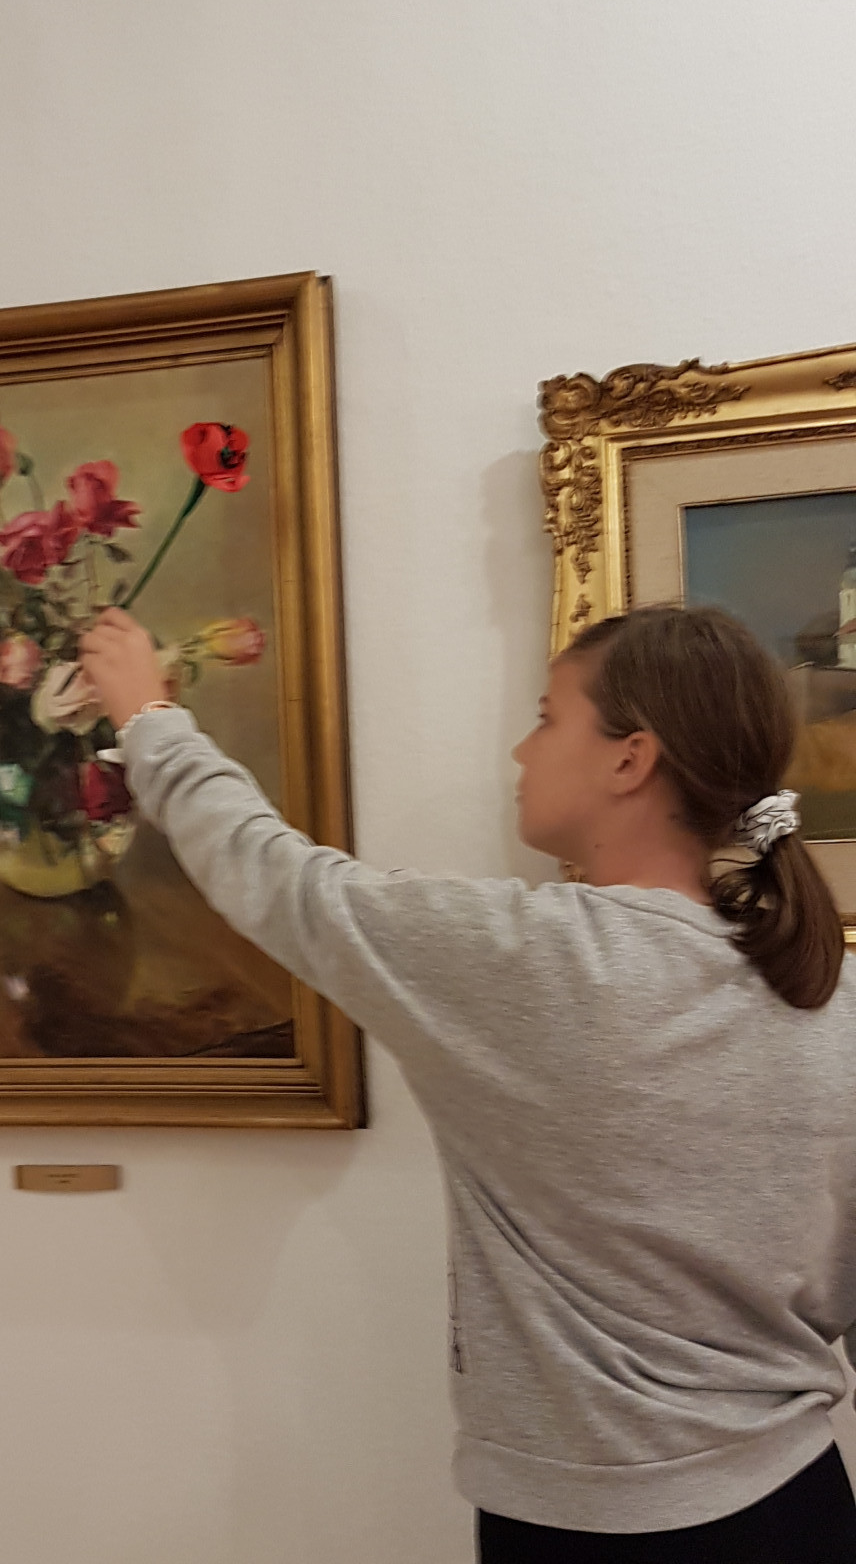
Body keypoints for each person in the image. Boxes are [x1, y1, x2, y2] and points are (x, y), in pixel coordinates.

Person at [79, 602, 856, 1563]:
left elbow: (274, 876)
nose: (523, 752)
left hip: (589, 1529)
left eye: (548, 719)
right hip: (801, 1504)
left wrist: (148, 716)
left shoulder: (532, 960)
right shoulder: (830, 994)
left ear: (630, 759)